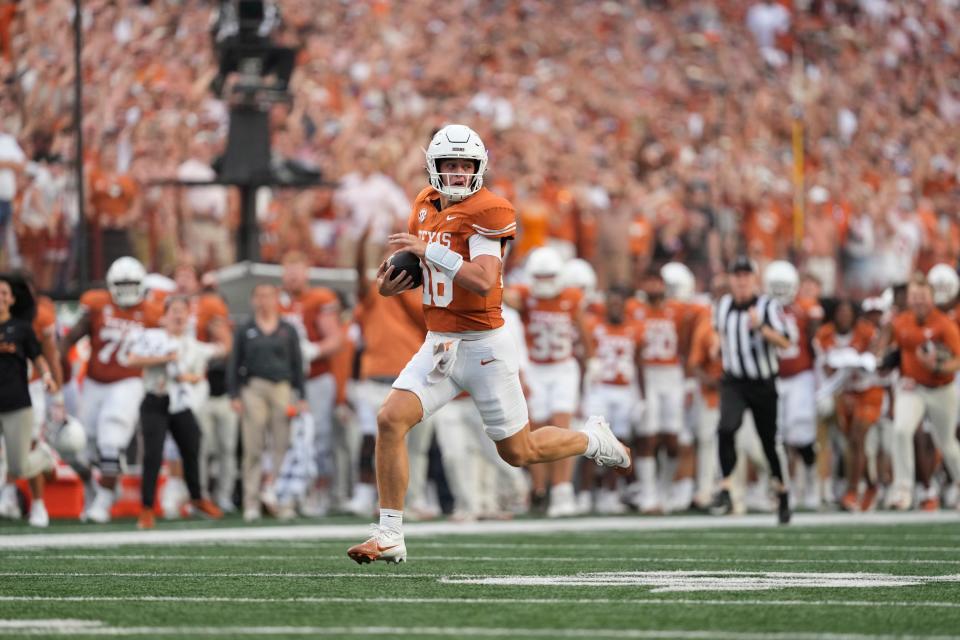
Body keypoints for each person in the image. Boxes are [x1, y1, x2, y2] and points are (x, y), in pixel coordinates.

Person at [346, 124, 629, 564]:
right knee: (390, 419)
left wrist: (428, 252)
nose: (458, 173)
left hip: (484, 347)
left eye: (465, 165)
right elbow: (424, 271)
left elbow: (481, 280)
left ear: (478, 168)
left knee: (520, 452)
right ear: (433, 167)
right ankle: (390, 534)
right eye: (449, 165)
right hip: (439, 344)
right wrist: (393, 283)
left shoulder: (490, 210)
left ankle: (591, 438)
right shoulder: (423, 204)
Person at [60, 256, 163, 522]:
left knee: (111, 437)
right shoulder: (97, 304)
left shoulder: (152, 313)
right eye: (122, 284)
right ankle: (98, 487)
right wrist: (59, 363)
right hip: (94, 382)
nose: (128, 290)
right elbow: (72, 336)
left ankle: (104, 502)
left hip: (129, 381)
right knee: (81, 445)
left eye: (132, 284)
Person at [505, 246, 591, 517]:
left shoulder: (572, 296)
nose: (543, 283)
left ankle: (562, 490)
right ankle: (541, 489)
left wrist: (592, 361)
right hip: (536, 370)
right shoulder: (525, 295)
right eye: (538, 277)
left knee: (562, 427)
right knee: (536, 432)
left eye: (548, 276)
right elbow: (499, 294)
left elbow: (583, 330)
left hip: (563, 368)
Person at [126, 296, 225, 529]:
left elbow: (197, 375)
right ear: (165, 315)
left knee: (193, 443)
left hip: (179, 402)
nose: (179, 316)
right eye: (175, 311)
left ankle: (197, 498)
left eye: (183, 311)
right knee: (153, 454)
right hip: (155, 400)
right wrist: (164, 359)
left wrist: (184, 377)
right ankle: (147, 508)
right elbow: (132, 360)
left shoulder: (192, 345)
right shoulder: (152, 337)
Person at [710, 256, 793, 524]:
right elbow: (717, 332)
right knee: (725, 428)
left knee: (769, 444)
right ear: (731, 279)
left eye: (746, 275)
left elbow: (785, 342)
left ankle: (782, 492)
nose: (742, 280)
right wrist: (715, 345)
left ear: (754, 279)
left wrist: (761, 328)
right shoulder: (722, 306)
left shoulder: (767, 306)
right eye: (737, 275)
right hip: (734, 381)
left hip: (763, 383)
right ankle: (725, 486)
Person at [227, 282, 306, 522]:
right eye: (259, 296)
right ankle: (251, 500)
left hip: (281, 387)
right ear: (253, 300)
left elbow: (297, 363)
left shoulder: (287, 329)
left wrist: (301, 395)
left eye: (269, 296)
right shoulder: (246, 329)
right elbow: (234, 362)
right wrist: (234, 394)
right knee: (253, 445)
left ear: (276, 299)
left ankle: (282, 498)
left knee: (282, 445)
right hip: (254, 387)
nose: (264, 301)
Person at [882, 273, 960, 510]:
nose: (918, 301)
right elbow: (889, 349)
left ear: (932, 298)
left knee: (946, 442)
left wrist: (935, 366)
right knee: (901, 430)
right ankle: (902, 490)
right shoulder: (900, 321)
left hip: (941, 388)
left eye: (923, 296)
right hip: (912, 388)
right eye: (914, 296)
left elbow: (958, 360)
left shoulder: (944, 324)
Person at [0, 273, 57, 527]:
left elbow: (39, 357)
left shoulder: (21, 328)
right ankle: (8, 498)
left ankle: (44, 458)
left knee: (20, 466)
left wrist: (47, 376)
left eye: (3, 293)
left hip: (16, 404)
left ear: (12, 299)